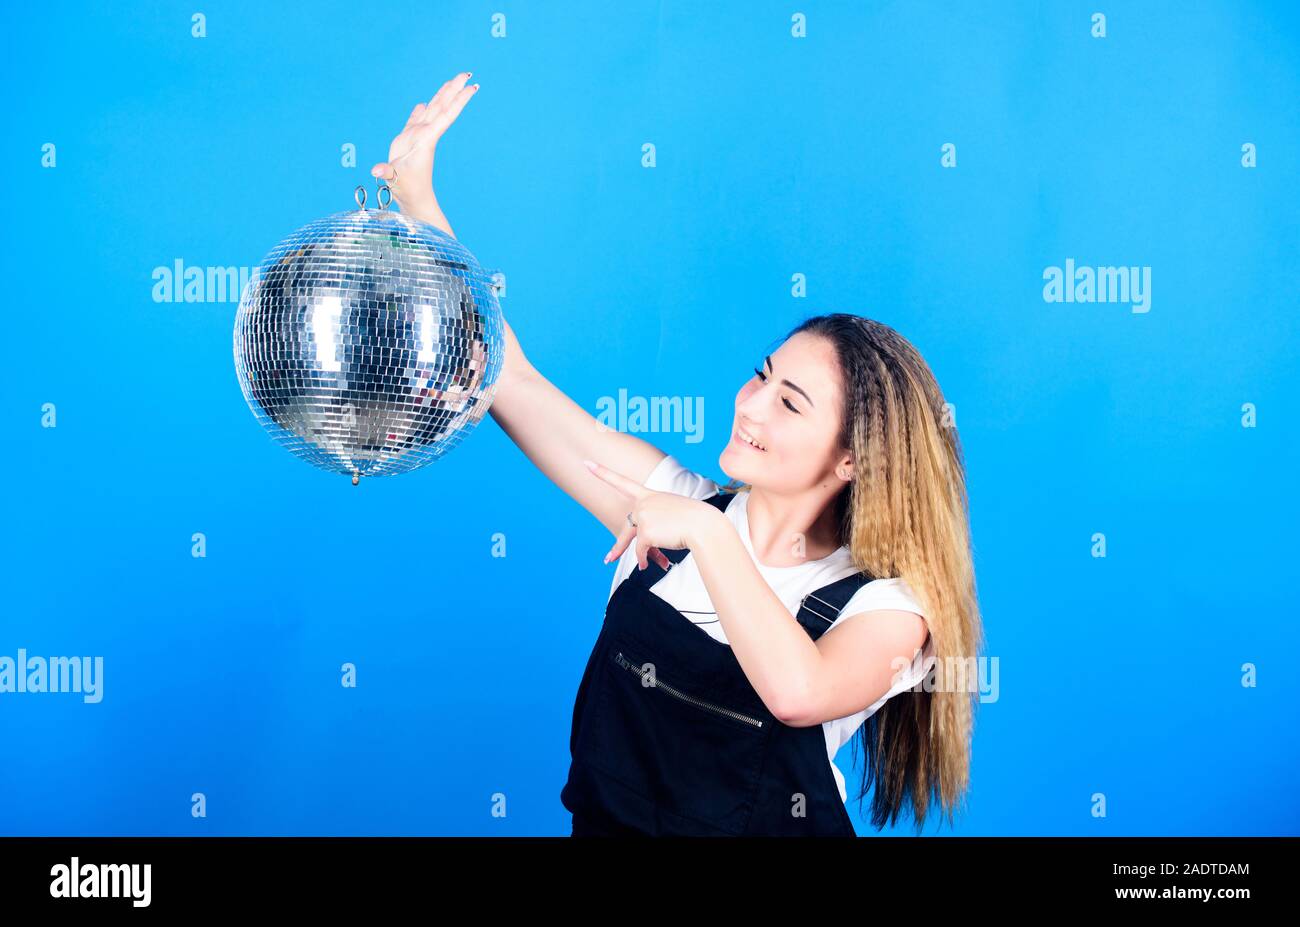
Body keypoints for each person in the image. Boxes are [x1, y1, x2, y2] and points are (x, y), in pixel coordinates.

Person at [372, 72, 984, 836]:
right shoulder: (674, 502)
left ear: (855, 460)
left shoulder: (888, 609)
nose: (751, 404)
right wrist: (420, 203)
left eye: (789, 403)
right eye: (762, 376)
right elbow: (507, 374)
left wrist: (705, 530)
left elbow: (799, 688)